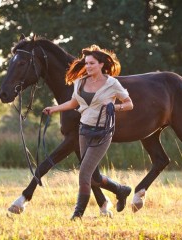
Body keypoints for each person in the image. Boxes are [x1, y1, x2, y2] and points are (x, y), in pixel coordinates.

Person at [43, 44, 134, 220]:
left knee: (84, 174)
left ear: (101, 65)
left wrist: (114, 107)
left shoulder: (112, 83)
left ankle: (77, 214)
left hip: (103, 133)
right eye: (86, 63)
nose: (88, 66)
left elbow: (130, 104)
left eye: (92, 63)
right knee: (94, 176)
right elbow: (72, 104)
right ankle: (120, 190)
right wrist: (53, 109)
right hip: (84, 131)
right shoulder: (80, 82)